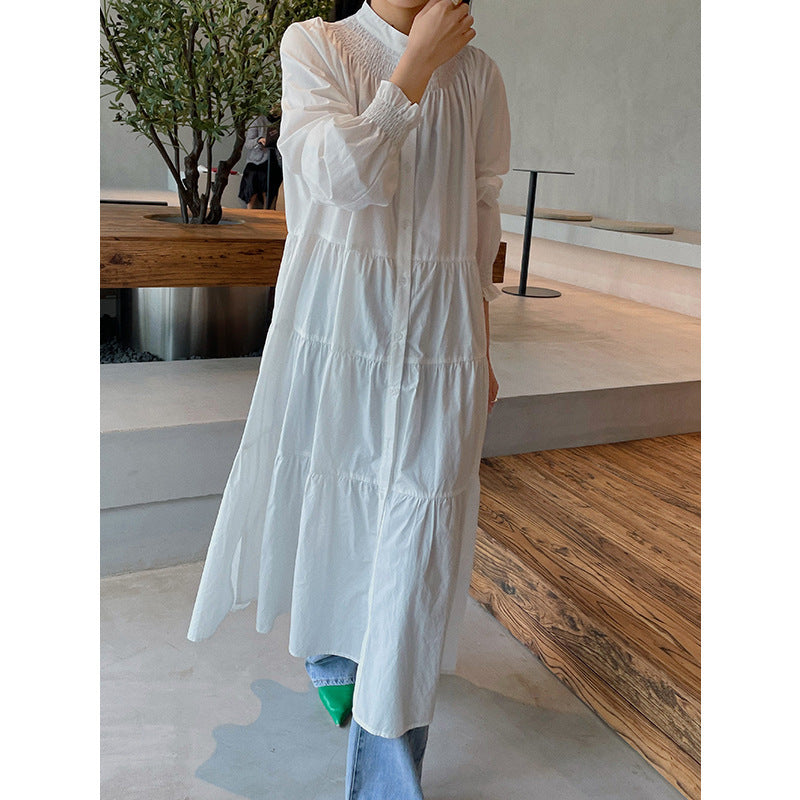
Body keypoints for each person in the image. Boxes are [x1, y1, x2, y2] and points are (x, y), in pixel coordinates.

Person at [187, 0, 510, 796]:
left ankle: (386, 777)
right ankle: (336, 654)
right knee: (338, 515)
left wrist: (484, 348)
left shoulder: (482, 74)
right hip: (340, 340)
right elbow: (339, 177)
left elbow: (480, 215)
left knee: (416, 540)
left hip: (441, 345)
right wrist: (414, 69)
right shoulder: (318, 47)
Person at [238, 112, 283, 209]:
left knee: (271, 177)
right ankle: (249, 211)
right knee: (253, 176)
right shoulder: (257, 120)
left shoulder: (284, 121)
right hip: (256, 160)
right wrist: (259, 140)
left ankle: (268, 210)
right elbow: (248, 144)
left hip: (275, 159)